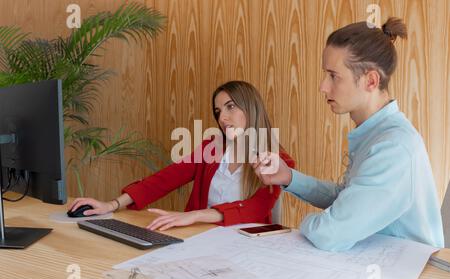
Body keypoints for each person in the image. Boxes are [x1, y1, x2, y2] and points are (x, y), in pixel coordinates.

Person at [252, 17, 444, 251]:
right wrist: (288, 177)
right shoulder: (375, 134)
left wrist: (298, 226)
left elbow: (330, 233)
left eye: (333, 76)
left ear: (370, 80)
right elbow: (349, 199)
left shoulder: (394, 147)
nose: (323, 86)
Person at [69, 80, 295, 230]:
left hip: (246, 251)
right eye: (218, 111)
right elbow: (164, 179)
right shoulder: (211, 149)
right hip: (199, 241)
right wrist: (112, 204)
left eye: (230, 107)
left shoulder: (280, 161)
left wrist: (195, 215)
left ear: (251, 108)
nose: (223, 118)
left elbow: (255, 209)